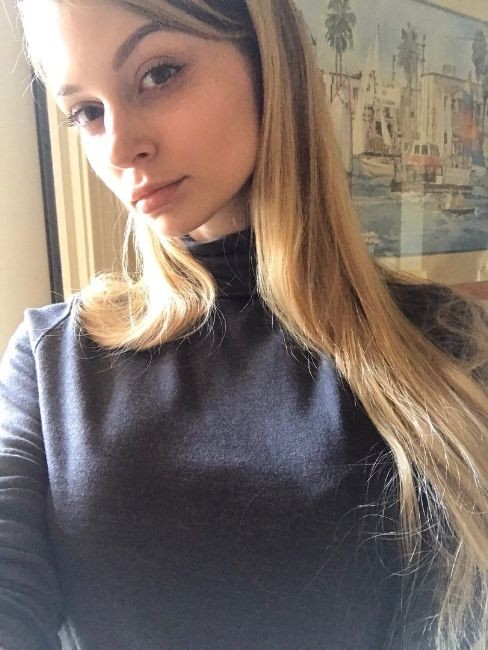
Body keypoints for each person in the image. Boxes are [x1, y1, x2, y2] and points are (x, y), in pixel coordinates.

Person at [1, 1, 487, 648]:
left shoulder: (443, 342)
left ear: (267, 60)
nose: (118, 147)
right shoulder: (51, 359)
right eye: (86, 112)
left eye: (159, 73)